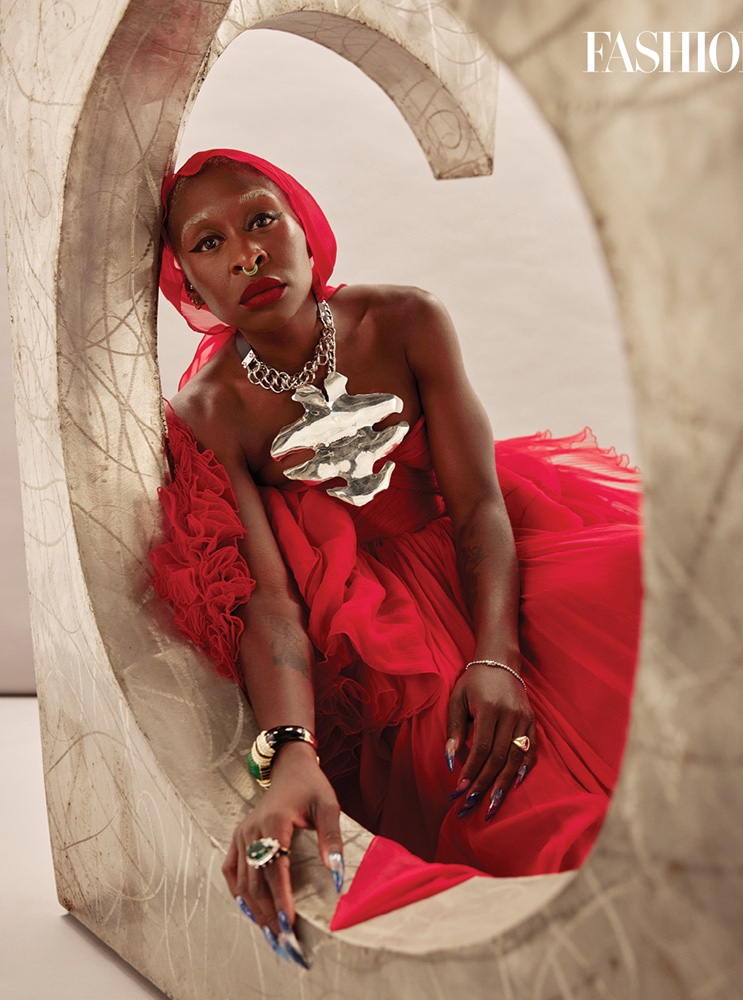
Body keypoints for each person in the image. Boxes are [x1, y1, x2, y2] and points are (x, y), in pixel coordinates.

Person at [151, 148, 642, 967]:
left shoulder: (407, 320)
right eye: (208, 244)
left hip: (490, 573)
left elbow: (480, 503)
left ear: (309, 231)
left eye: (263, 219)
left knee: (661, 604)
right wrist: (290, 750)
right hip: (385, 641)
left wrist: (498, 655)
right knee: (533, 818)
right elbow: (270, 602)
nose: (245, 252)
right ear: (191, 291)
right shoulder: (213, 410)